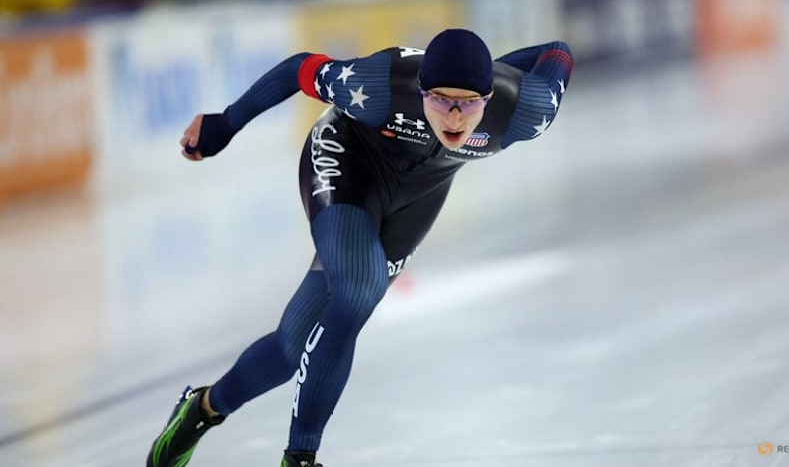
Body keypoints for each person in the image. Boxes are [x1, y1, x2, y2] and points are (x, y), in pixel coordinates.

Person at [146, 28, 573, 467]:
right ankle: (300, 458)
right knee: (358, 291)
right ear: (421, 90)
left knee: (289, 350)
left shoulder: (528, 109)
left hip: (418, 198)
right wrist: (226, 123)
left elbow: (557, 51)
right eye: (441, 100)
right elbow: (300, 68)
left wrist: (488, 69)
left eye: (468, 103)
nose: (454, 118)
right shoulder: (379, 84)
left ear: (488, 98)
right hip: (349, 162)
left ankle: (200, 410)